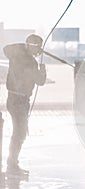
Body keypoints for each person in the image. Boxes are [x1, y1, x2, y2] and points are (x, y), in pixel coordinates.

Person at [3, 34, 47, 174]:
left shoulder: (15, 55)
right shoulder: (30, 62)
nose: (39, 51)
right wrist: (43, 69)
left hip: (13, 99)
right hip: (20, 101)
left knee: (18, 132)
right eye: (38, 48)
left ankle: (12, 163)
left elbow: (6, 49)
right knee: (19, 133)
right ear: (32, 47)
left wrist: (26, 47)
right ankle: (12, 165)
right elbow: (40, 81)